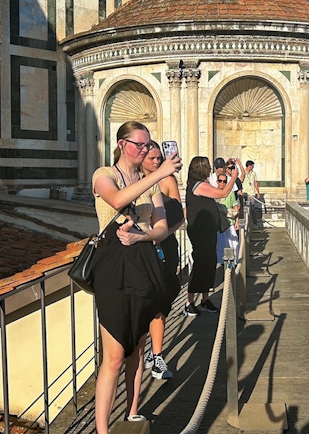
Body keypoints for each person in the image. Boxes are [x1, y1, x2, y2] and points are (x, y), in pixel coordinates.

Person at [91, 121, 181, 430]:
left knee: (138, 348)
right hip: (113, 268)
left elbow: (161, 227)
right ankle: (102, 429)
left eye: (146, 145)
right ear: (121, 144)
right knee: (114, 354)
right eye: (137, 145)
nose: (142, 150)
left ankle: (131, 410)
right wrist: (159, 173)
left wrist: (141, 236)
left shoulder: (151, 184)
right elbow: (116, 200)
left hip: (144, 263)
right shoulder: (104, 175)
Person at [140, 140, 185, 380]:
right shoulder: (132, 181)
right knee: (145, 300)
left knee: (162, 298)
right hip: (138, 248)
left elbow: (179, 215)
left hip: (164, 246)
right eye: (152, 158)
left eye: (159, 158)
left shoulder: (167, 181)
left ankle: (156, 355)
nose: (157, 162)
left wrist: (162, 234)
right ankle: (147, 353)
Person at [184, 156, 238, 316]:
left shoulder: (202, 185)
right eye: (207, 167)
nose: (210, 169)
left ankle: (205, 299)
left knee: (209, 263)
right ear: (201, 169)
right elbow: (221, 193)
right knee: (201, 264)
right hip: (200, 232)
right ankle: (189, 302)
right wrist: (233, 178)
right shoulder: (197, 186)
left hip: (207, 231)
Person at [215, 172, 240, 264]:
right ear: (217, 181)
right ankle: (221, 263)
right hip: (218, 223)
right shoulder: (213, 192)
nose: (222, 183)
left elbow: (235, 206)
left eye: (224, 181)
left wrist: (237, 222)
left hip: (229, 222)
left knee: (233, 243)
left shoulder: (230, 193)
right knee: (220, 245)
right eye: (220, 181)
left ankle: (235, 263)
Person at [243, 160, 260, 226]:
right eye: (252, 166)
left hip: (252, 194)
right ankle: (247, 224)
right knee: (246, 210)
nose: (253, 167)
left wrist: (258, 192)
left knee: (252, 209)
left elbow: (255, 183)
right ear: (249, 166)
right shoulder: (243, 173)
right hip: (245, 193)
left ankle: (254, 223)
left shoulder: (253, 173)